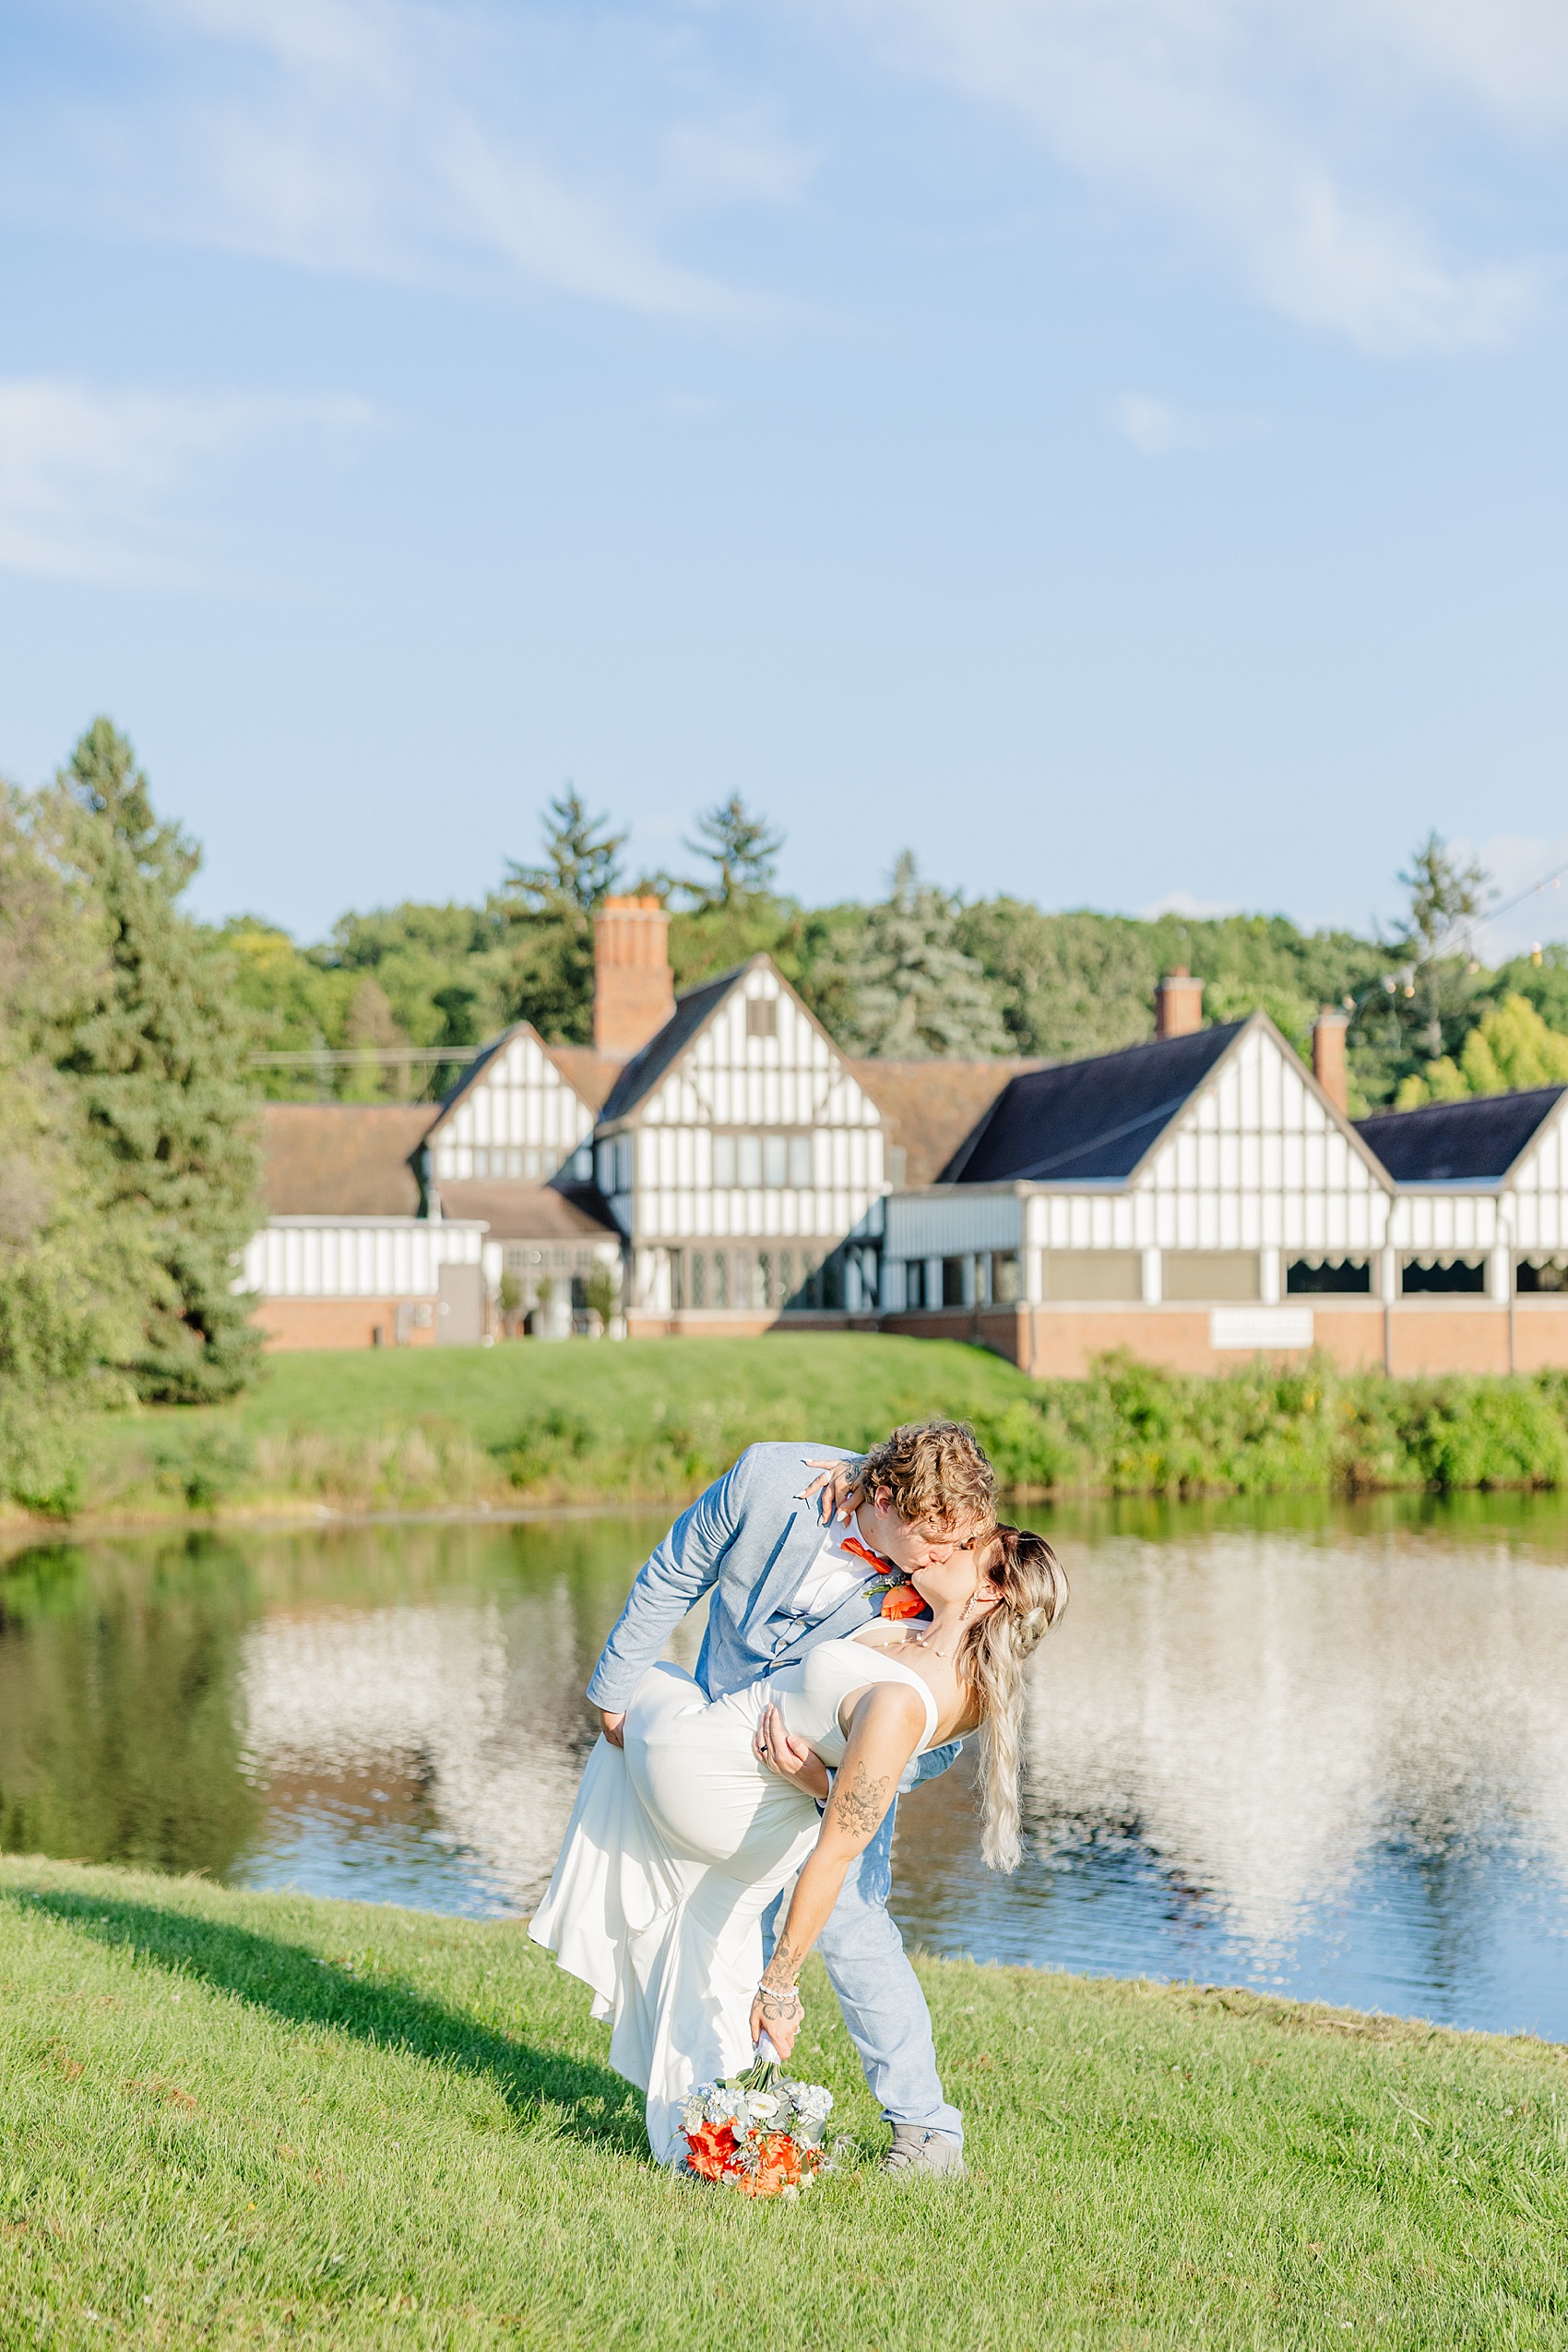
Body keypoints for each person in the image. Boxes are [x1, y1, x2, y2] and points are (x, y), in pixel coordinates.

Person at [529, 1422, 1068, 2168]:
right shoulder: (775, 1482)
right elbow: (673, 1573)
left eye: (960, 1546)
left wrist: (827, 1784)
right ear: (885, 1498)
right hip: (727, 1730)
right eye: (940, 1543)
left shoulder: (932, 1583)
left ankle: (924, 2127)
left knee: (851, 1924)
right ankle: (719, 2113)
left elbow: (927, 1741)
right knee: (718, 1926)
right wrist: (614, 1692)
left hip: (836, 1770)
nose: (945, 1557)